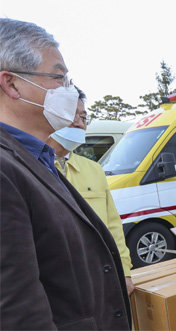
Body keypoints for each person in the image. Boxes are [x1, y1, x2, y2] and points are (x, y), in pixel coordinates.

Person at [0, 18, 130, 329]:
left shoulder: (38, 158)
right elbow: (18, 312)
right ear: (12, 83)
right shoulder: (5, 171)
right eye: (59, 77)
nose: (68, 91)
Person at [46, 86, 134, 295]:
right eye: (71, 115)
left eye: (83, 117)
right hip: (58, 284)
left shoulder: (93, 169)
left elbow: (113, 226)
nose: (78, 122)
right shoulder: (31, 166)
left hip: (102, 275)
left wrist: (124, 271)